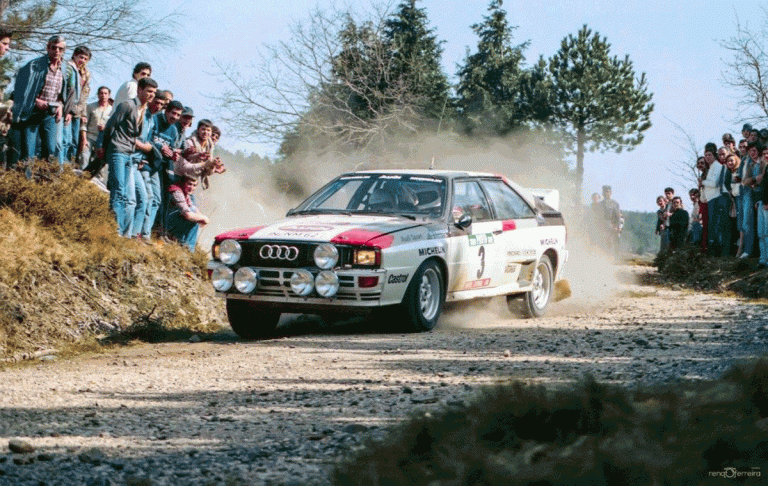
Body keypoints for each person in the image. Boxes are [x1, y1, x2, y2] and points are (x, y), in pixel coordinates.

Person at [101, 76, 158, 237]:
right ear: (139, 90)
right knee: (118, 190)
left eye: (153, 92)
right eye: (148, 91)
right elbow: (110, 126)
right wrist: (103, 148)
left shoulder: (144, 110)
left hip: (129, 154)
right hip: (117, 150)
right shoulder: (127, 105)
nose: (151, 95)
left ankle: (121, 231)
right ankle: (115, 230)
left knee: (126, 194)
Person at [7, 35, 69, 166]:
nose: (57, 51)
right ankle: (26, 183)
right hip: (31, 113)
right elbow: (21, 90)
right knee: (28, 152)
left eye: (60, 49)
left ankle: (43, 183)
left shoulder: (64, 68)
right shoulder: (34, 65)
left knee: (51, 150)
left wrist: (60, 106)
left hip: (49, 115)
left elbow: (62, 92)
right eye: (54, 47)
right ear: (48, 47)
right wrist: (35, 101)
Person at [61, 45, 90, 164]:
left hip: (78, 112)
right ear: (74, 55)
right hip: (67, 110)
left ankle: (69, 167)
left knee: (74, 141)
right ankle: (61, 164)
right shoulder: (68, 67)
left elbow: (84, 95)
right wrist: (69, 111)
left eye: (85, 59)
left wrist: (83, 113)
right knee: (65, 140)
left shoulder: (85, 73)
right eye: (81, 57)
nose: (82, 60)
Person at [166, 176, 209, 251]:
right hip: (168, 225)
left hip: (177, 223)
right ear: (183, 183)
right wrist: (204, 218)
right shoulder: (177, 192)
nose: (192, 187)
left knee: (195, 215)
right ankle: (189, 249)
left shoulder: (186, 194)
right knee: (193, 216)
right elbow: (188, 215)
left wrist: (201, 217)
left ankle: (187, 247)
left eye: (194, 185)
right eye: (189, 184)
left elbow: (194, 209)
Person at [701, 147, 730, 256]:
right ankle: (714, 252)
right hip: (711, 199)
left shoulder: (717, 166)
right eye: (706, 155)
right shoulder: (711, 167)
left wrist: (703, 182)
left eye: (710, 155)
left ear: (714, 155)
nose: (707, 157)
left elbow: (713, 184)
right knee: (712, 227)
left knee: (718, 226)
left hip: (717, 198)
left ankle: (720, 253)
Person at [81, 86, 112, 174]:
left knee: (99, 167)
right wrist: (84, 140)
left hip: (102, 141)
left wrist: (105, 128)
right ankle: (81, 182)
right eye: (101, 93)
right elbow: (84, 125)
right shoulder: (90, 107)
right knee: (84, 160)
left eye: (105, 93)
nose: (103, 95)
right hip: (90, 138)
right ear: (98, 95)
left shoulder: (112, 110)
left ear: (109, 95)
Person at [600, 185, 621, 257]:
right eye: (604, 192)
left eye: (607, 191)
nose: (606, 193)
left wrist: (617, 226)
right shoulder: (600, 204)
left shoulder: (614, 203)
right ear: (602, 193)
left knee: (614, 242)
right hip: (602, 225)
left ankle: (615, 257)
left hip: (611, 224)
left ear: (610, 193)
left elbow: (618, 216)